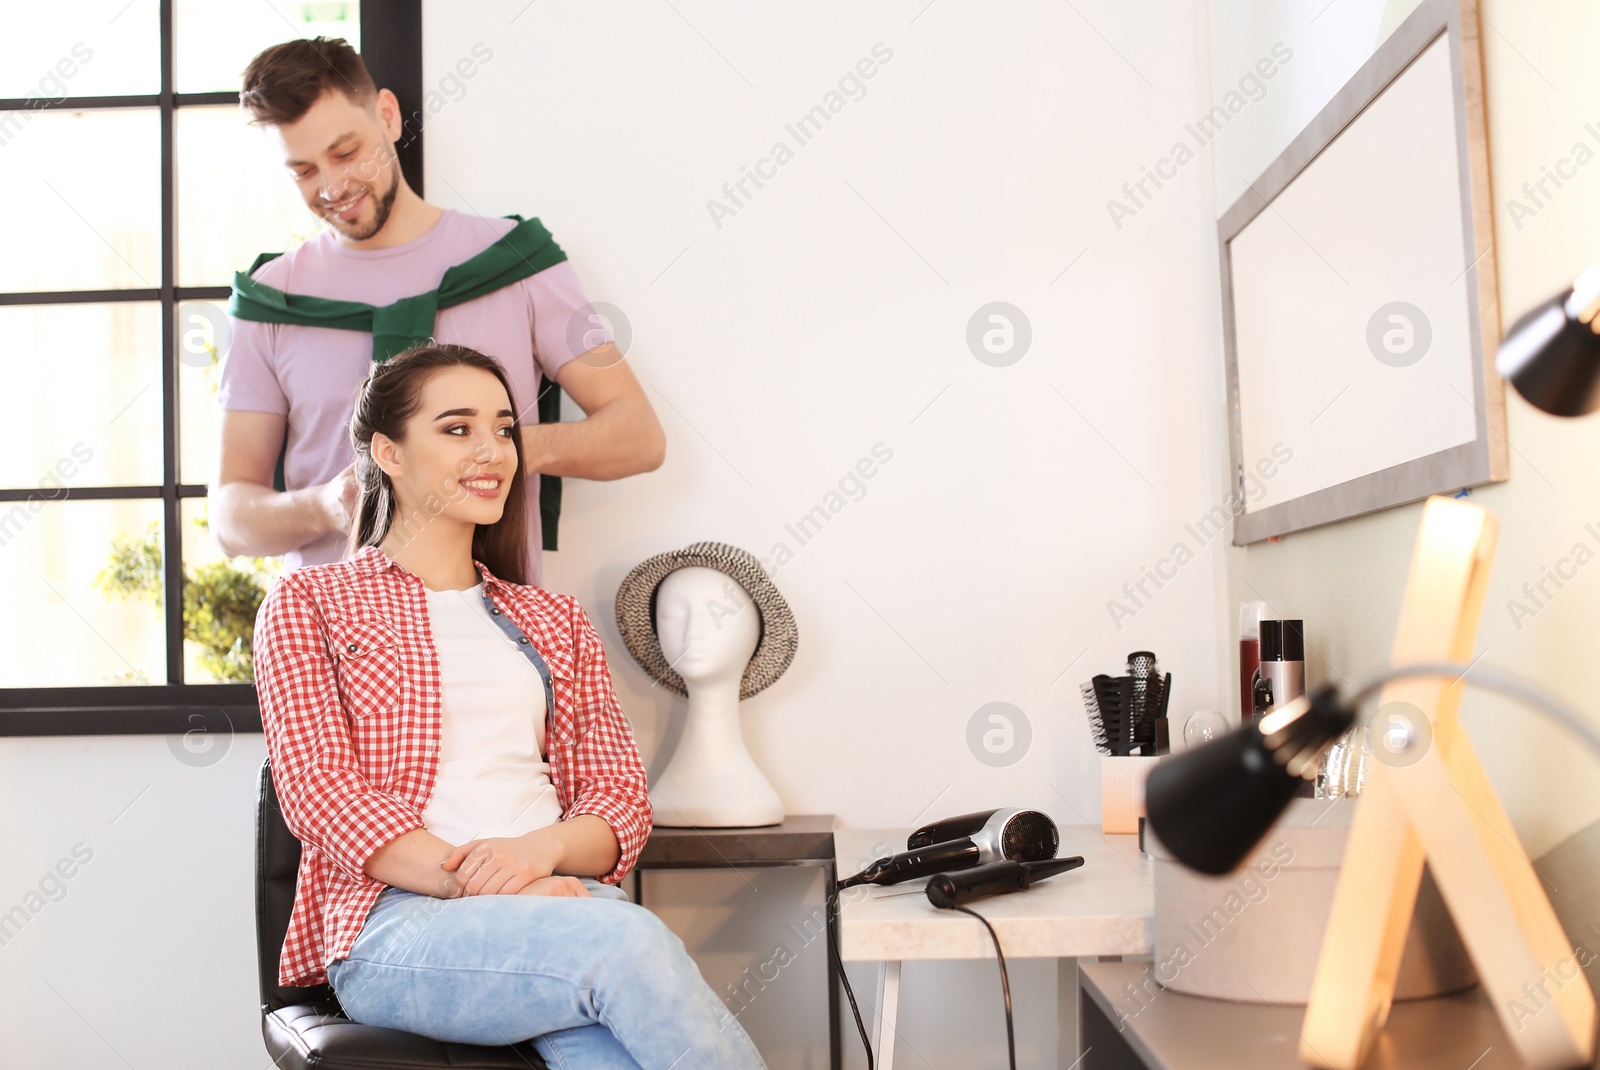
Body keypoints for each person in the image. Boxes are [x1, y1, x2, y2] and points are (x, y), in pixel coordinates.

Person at [251, 343, 762, 1067]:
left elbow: (619, 802)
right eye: (457, 429)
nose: (491, 450)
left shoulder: (554, 619)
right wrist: (485, 884)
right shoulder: (309, 602)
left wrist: (538, 854)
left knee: (613, 1048)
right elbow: (322, 792)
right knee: (633, 943)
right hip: (399, 929)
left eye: (503, 429)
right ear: (388, 452)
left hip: (564, 907)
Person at [213, 36, 664, 586]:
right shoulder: (272, 301)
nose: (333, 187)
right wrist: (328, 505)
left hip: (496, 629)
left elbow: (637, 435)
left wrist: (504, 447)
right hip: (337, 648)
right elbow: (231, 519)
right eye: (303, 171)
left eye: (346, 152)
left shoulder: (516, 262)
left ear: (387, 115)